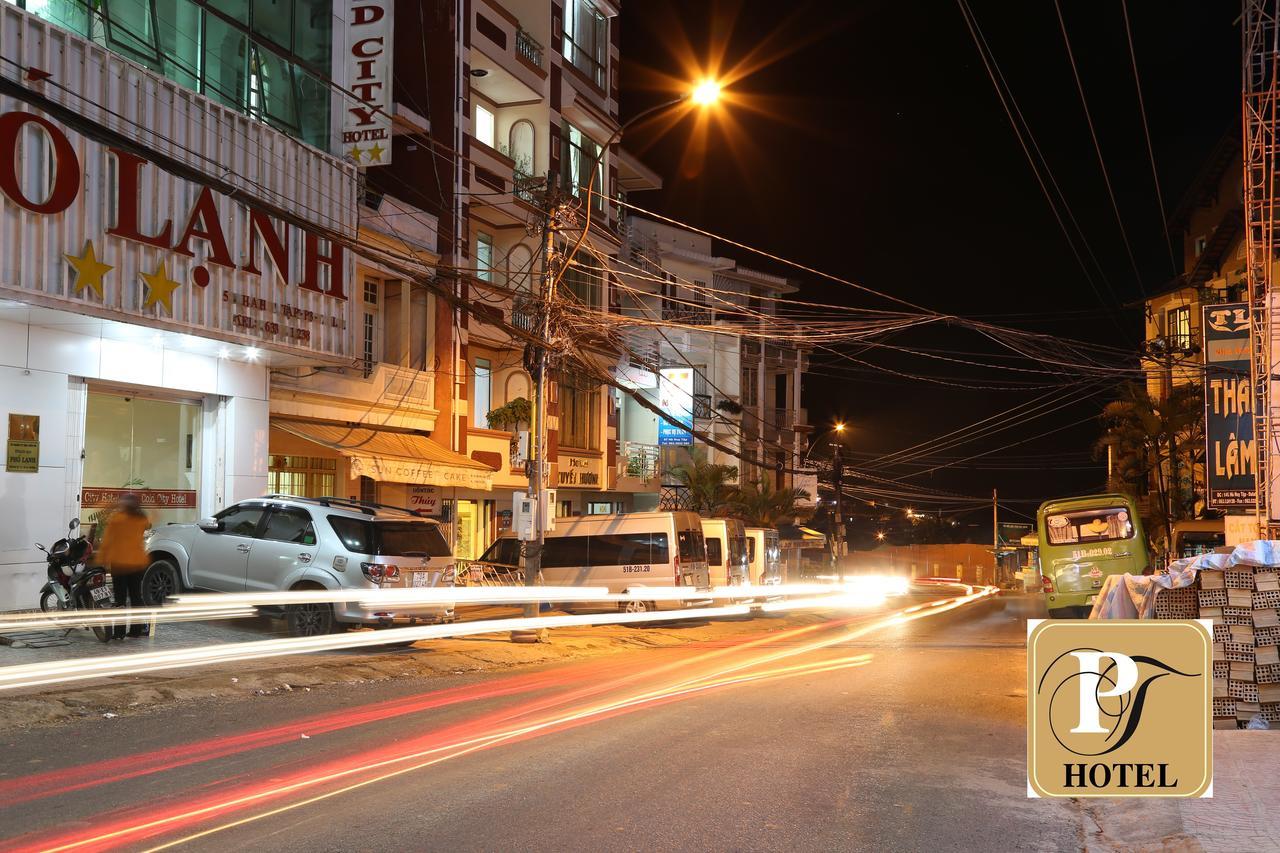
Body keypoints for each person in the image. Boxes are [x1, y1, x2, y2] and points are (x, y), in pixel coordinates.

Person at [96, 493, 151, 638]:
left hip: (120, 564)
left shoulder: (117, 519)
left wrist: (100, 559)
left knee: (120, 599)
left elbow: (107, 541)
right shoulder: (141, 519)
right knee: (136, 598)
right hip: (137, 563)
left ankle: (119, 632)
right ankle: (136, 631)